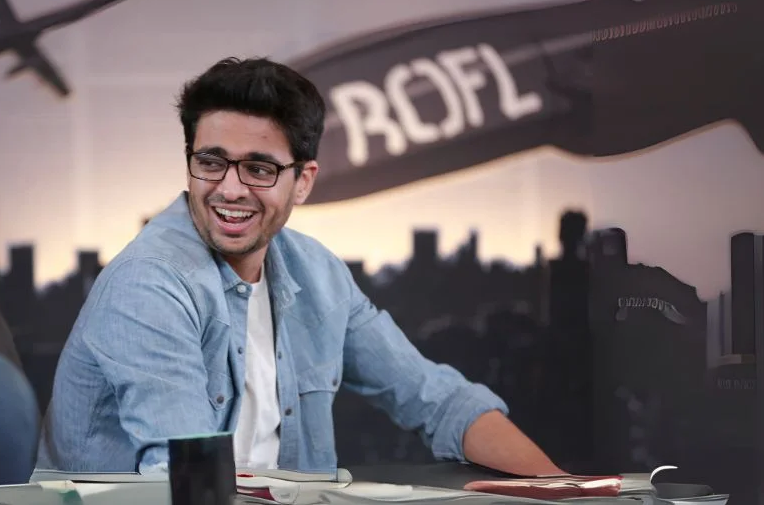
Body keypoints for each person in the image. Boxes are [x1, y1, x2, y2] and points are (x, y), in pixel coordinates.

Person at [36, 57, 563, 476]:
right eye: (211, 162)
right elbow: (187, 477)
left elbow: (436, 400)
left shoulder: (318, 273)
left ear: (303, 181)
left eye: (259, 168)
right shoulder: (149, 283)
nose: (230, 189)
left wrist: (564, 491)